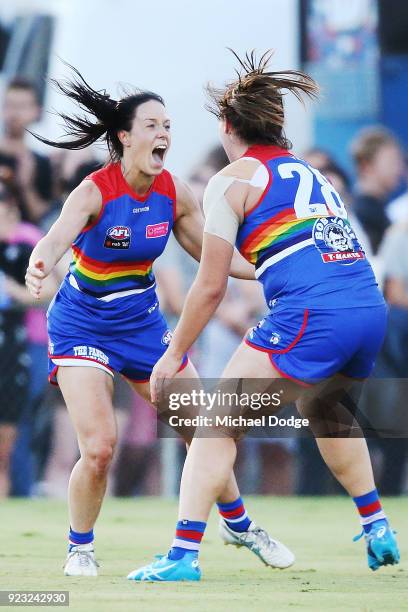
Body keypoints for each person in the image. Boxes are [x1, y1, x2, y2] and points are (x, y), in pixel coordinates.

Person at [128, 50, 400, 581]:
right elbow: (288, 253)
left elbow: (207, 289)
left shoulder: (232, 179)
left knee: (216, 428)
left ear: (229, 126)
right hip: (367, 308)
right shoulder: (309, 173)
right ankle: (377, 525)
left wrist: (173, 354)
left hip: (313, 313)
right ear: (277, 125)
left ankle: (182, 557)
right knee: (328, 410)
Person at [24, 65, 294, 576]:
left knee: (206, 429)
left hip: (143, 326)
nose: (164, 133)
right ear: (124, 137)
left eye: (167, 125)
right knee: (100, 447)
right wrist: (39, 265)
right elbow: (54, 240)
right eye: (152, 125)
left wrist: (273, 264)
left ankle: (237, 524)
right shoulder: (94, 190)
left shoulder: (175, 193)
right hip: (82, 324)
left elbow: (215, 257)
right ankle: (80, 548)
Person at [0, 78, 53, 226]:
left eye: (22, 106)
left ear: (36, 111)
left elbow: (42, 217)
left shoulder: (41, 162)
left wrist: (26, 185)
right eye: (10, 105)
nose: (14, 113)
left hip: (24, 243)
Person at [351, 126, 404, 255]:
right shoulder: (363, 214)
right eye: (392, 162)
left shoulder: (378, 209)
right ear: (366, 165)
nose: (399, 169)